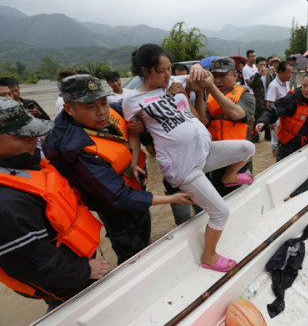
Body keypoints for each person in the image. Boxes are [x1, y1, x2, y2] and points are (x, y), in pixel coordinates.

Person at [123, 44, 255, 272]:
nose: (167, 75)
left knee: (247, 147)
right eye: (161, 71)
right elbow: (133, 131)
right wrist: (134, 159)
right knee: (220, 212)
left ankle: (230, 176)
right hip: (183, 166)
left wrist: (196, 67)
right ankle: (209, 255)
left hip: (204, 152)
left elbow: (203, 74)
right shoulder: (132, 100)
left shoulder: (174, 83)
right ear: (145, 71)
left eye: (168, 69)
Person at [42, 74, 194, 264]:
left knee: (144, 233)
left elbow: (136, 103)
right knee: (130, 251)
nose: (101, 112)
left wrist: (139, 122)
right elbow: (117, 196)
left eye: (103, 103)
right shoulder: (75, 149)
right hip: (116, 208)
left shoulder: (110, 110)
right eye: (90, 107)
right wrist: (171, 198)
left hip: (137, 189)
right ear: (68, 109)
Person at [0, 97, 110, 311]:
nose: (35, 138)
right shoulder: (6, 203)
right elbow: (29, 264)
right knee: (77, 310)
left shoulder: (24, 162)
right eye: (21, 135)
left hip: (74, 260)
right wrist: (83, 271)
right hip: (66, 281)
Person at [202, 57, 256, 196]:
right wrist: (195, 92)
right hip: (217, 161)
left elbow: (237, 114)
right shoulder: (209, 98)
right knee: (220, 199)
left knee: (243, 199)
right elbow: (202, 122)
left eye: (222, 75)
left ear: (234, 75)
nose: (218, 80)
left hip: (239, 162)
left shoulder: (246, 96)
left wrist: (211, 88)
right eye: (214, 76)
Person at [256, 71, 308, 162]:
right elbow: (272, 110)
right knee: (283, 168)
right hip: (286, 144)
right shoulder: (291, 98)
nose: (306, 89)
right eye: (304, 85)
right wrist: (262, 122)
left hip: (306, 144)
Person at [265, 61, 293, 158]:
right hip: (276, 119)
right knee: (275, 141)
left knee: (284, 139)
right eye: (289, 72)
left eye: (291, 72)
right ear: (280, 72)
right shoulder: (274, 86)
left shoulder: (287, 83)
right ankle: (275, 163)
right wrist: (270, 121)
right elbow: (269, 103)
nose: (290, 75)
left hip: (285, 118)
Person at [249, 57, 274, 142]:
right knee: (257, 120)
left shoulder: (268, 76)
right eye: (261, 65)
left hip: (268, 101)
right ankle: (255, 139)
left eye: (264, 64)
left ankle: (268, 136)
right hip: (258, 103)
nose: (263, 67)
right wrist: (259, 75)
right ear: (257, 66)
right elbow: (251, 85)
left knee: (268, 118)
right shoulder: (254, 76)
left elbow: (274, 84)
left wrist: (274, 74)